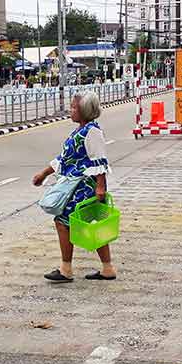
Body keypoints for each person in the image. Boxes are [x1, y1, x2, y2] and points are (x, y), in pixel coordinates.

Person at [32, 91, 116, 283]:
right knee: (92, 224)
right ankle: (107, 268)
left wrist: (101, 187)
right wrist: (44, 173)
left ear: (85, 110)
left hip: (84, 186)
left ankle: (66, 269)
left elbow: (99, 160)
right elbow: (64, 159)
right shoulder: (80, 130)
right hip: (76, 185)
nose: (70, 110)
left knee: (63, 222)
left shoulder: (92, 131)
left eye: (74, 107)